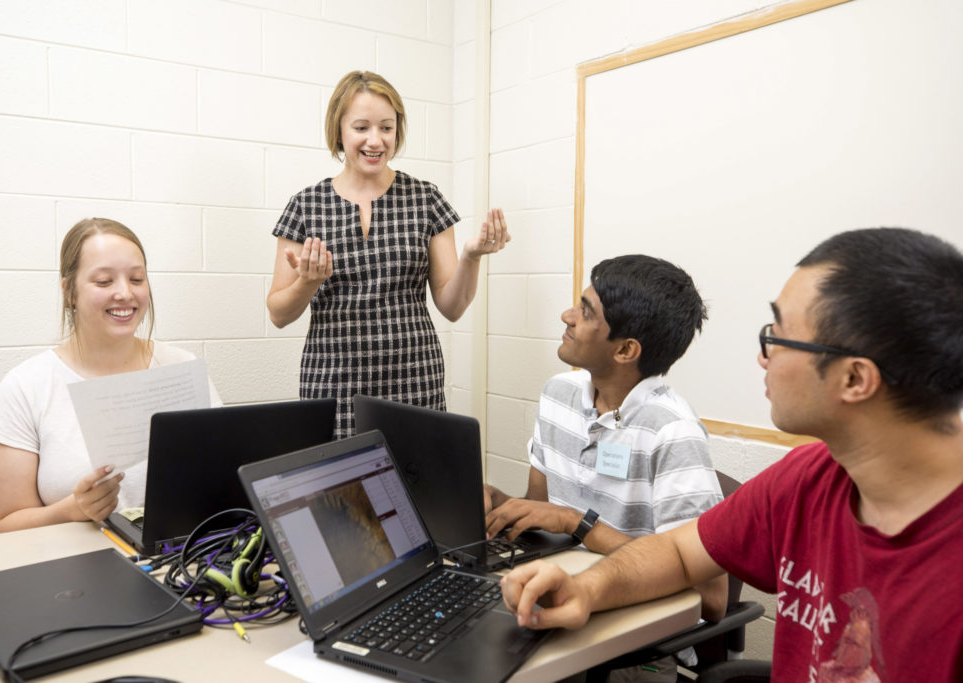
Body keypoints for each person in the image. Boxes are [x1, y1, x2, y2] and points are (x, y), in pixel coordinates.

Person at [501, 228, 963, 681]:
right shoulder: (806, 479)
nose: (764, 357)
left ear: (854, 379)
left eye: (779, 337)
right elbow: (681, 555)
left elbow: (710, 596)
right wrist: (584, 588)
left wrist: (575, 526)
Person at [484, 255, 727, 682]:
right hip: (558, 599)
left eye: (585, 311)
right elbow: (541, 516)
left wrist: (577, 522)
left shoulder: (672, 432)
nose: (567, 315)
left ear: (625, 350)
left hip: (636, 645)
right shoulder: (558, 393)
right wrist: (500, 506)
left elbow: (711, 597)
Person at [267, 70, 509, 438]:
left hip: (415, 383)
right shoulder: (305, 205)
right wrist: (307, 283)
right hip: (333, 385)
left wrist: (471, 257)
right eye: (361, 127)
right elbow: (278, 314)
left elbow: (452, 306)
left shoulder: (426, 199)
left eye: (387, 128)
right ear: (338, 131)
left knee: (418, 492)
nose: (375, 141)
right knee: (340, 495)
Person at [0, 218, 221, 534]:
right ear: (69, 292)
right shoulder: (26, 387)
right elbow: (2, 526)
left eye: (136, 279)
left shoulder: (181, 367)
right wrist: (73, 509)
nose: (124, 293)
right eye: (104, 282)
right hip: (68, 573)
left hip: (176, 560)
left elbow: (226, 474)